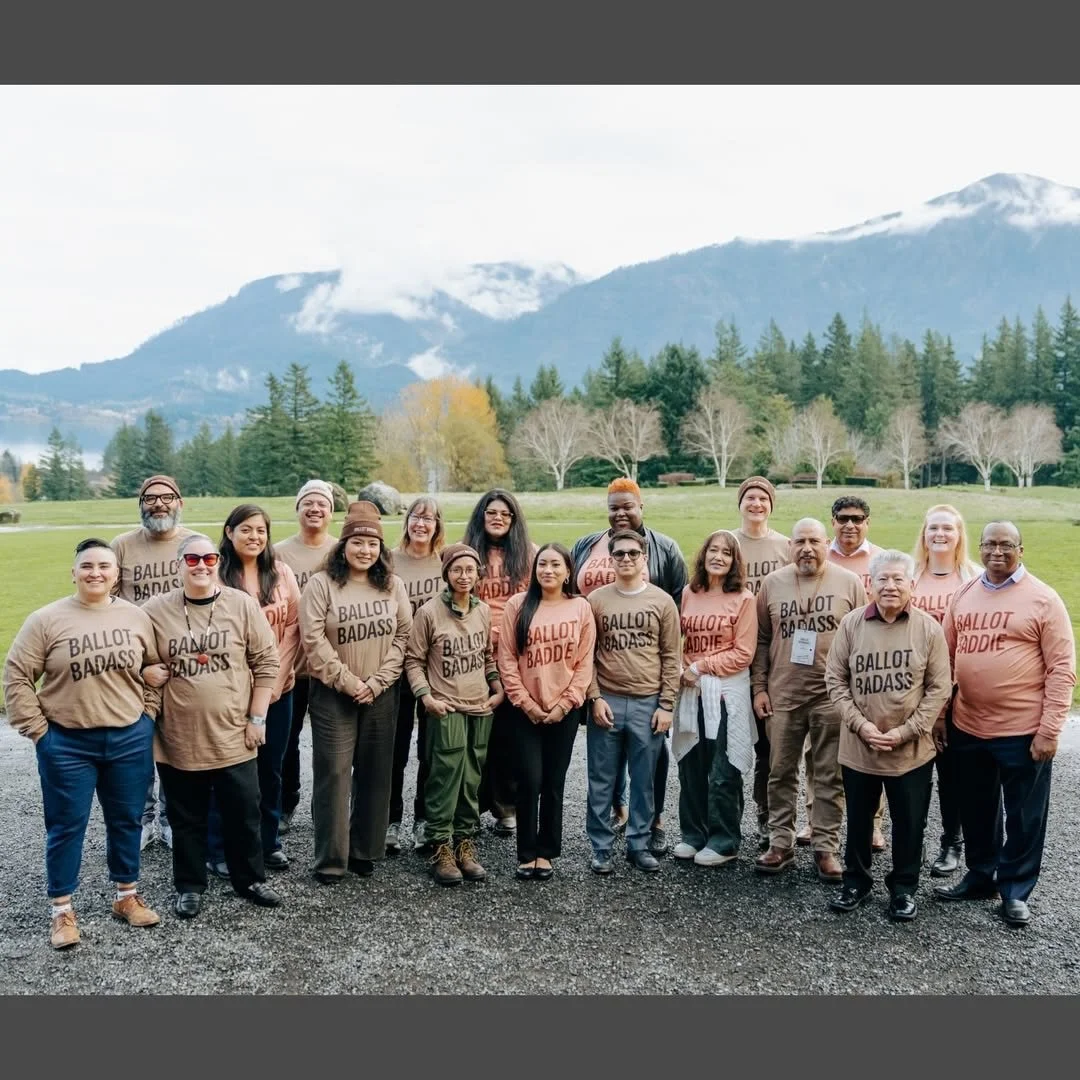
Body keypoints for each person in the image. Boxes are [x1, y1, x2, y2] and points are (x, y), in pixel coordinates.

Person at [3, 539, 164, 949]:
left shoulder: (136, 617)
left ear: (116, 573)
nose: (96, 572)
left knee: (126, 820)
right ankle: (62, 910)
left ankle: (126, 896)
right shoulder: (46, 619)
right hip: (67, 742)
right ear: (73, 573)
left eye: (104, 566)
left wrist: (147, 716)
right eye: (87, 566)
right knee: (66, 825)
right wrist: (40, 732)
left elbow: (154, 668)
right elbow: (18, 676)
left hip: (128, 736)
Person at [935, 521, 1076, 927]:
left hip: (1022, 729)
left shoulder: (1042, 599)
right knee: (977, 809)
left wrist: (1050, 730)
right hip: (968, 725)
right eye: (990, 544)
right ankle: (981, 876)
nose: (998, 551)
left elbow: (1062, 669)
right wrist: (943, 715)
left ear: (1021, 549)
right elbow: (945, 659)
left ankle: (1015, 890)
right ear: (979, 548)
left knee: (1024, 815)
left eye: (1006, 545)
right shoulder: (964, 594)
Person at [143, 533, 283, 917]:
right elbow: (136, 654)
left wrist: (257, 718)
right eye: (191, 559)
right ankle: (189, 886)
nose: (201, 565)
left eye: (208, 558)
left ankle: (249, 878)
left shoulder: (240, 605)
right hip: (179, 737)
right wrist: (146, 669)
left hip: (234, 733)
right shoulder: (156, 610)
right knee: (187, 816)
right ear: (178, 565)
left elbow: (266, 663)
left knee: (243, 812)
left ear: (218, 561)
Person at [824, 550, 952, 921]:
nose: (890, 586)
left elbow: (939, 688)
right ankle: (856, 883)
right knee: (860, 819)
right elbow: (835, 679)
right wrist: (859, 725)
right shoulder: (851, 624)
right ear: (870, 583)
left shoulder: (928, 629)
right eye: (883, 579)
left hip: (910, 750)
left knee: (910, 822)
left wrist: (905, 731)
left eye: (899, 579)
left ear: (912, 585)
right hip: (858, 746)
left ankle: (904, 889)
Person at [570, 477, 688, 855]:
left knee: (649, 762)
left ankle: (650, 825)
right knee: (603, 769)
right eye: (614, 507)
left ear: (641, 507)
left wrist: (667, 700)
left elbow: (674, 624)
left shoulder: (665, 549)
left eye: (628, 506)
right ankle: (608, 829)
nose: (621, 513)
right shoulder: (587, 545)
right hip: (603, 678)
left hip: (646, 680)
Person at [299, 501, 412, 884]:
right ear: (343, 544)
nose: (365, 550)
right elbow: (313, 640)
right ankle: (331, 858)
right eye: (357, 542)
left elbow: (403, 636)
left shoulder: (392, 585)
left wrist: (378, 682)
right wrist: (349, 682)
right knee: (333, 773)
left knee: (376, 771)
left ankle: (365, 849)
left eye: (373, 543)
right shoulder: (321, 584)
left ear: (381, 549)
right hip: (334, 693)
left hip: (381, 692)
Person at [752, 518, 865, 883]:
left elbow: (861, 639)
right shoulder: (772, 584)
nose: (806, 548)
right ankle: (780, 842)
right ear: (789, 546)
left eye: (814, 541)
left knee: (829, 774)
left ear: (826, 543)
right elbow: (762, 641)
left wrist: (855, 693)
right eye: (799, 541)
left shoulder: (848, 582)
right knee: (780, 771)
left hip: (831, 696)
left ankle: (825, 847)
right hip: (783, 694)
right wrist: (759, 688)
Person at [205, 505, 300, 877]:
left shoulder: (280, 572)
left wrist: (275, 680)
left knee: (269, 769)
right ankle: (220, 847)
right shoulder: (216, 575)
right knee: (226, 771)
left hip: (279, 690)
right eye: (246, 529)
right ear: (229, 532)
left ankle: (268, 841)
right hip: (229, 692)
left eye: (261, 530)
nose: (255, 537)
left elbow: (293, 626)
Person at [405, 543, 503, 886]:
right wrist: (426, 697)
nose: (464, 577)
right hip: (445, 707)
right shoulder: (429, 613)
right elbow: (414, 661)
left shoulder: (483, 611)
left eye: (470, 570)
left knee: (472, 777)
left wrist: (497, 687)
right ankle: (440, 846)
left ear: (478, 574)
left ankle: (465, 842)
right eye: (457, 570)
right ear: (446, 574)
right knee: (444, 777)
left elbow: (488, 656)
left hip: (480, 707)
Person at [585, 529, 681, 874]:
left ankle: (638, 844)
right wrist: (594, 698)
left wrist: (667, 704)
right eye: (619, 554)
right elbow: (587, 656)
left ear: (645, 558)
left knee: (644, 780)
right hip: (607, 700)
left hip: (648, 701)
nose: (626, 559)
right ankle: (600, 846)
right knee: (601, 779)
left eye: (633, 553)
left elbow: (672, 655)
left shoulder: (661, 601)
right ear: (611, 559)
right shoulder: (596, 600)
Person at [498, 544, 596, 881]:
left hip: (563, 710)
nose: (548, 570)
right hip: (523, 710)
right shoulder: (518, 605)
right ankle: (526, 852)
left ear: (568, 571)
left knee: (554, 782)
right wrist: (525, 702)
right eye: (542, 564)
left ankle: (547, 852)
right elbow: (507, 659)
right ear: (534, 570)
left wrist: (565, 703)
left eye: (556, 564)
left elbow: (585, 663)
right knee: (529, 780)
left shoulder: (580, 607)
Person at [110, 474, 194, 852]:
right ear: (140, 504)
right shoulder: (123, 547)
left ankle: (170, 817)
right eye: (150, 498)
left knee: (176, 745)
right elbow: (103, 603)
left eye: (167, 497)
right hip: (135, 664)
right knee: (138, 745)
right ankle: (143, 820)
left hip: (183, 661)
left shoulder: (193, 544)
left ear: (180, 502)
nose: (159, 504)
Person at [671, 530, 757, 867]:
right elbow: (679, 638)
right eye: (713, 550)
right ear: (703, 555)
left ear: (735, 561)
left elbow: (744, 652)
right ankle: (694, 834)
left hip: (725, 692)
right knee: (690, 763)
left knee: (723, 769)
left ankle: (724, 839)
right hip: (691, 690)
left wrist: (701, 666)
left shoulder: (744, 598)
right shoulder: (689, 593)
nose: (718, 557)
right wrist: (681, 668)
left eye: (726, 552)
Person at [910, 504, 980, 877]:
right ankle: (913, 840)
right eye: (933, 527)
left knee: (952, 774)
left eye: (947, 529)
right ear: (924, 533)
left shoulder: (973, 578)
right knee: (912, 773)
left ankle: (952, 842)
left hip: (956, 693)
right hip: (911, 692)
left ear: (959, 535)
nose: (940, 534)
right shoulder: (910, 577)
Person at [464, 489, 538, 837]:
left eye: (505, 514)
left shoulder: (528, 555)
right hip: (472, 654)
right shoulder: (468, 553)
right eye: (491, 512)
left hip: (513, 654)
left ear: (514, 520)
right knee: (477, 734)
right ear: (481, 517)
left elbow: (535, 604)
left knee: (508, 735)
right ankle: (472, 806)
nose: (497, 518)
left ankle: (506, 806)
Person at [821, 494, 884, 852]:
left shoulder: (880, 560)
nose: (850, 525)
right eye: (843, 518)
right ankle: (818, 819)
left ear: (867, 523)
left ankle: (873, 824)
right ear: (833, 521)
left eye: (857, 519)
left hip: (867, 668)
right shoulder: (818, 553)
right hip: (821, 667)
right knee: (822, 755)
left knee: (869, 751)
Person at [275, 479, 338, 837]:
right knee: (287, 739)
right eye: (308, 503)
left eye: (322, 504)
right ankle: (286, 803)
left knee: (332, 743)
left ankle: (325, 808)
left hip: (329, 666)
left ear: (331, 511)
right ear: (297, 508)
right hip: (292, 665)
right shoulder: (280, 553)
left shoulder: (340, 551)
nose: (315, 509)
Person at [731, 475, 790, 851]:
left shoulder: (785, 545)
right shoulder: (728, 543)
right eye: (750, 497)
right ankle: (726, 820)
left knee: (771, 748)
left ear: (771, 505)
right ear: (740, 503)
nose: (756, 504)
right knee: (733, 744)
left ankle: (769, 817)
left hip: (773, 654)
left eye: (763, 498)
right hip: (735, 655)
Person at [388, 495, 446, 854]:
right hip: (395, 665)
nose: (421, 524)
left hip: (434, 668)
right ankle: (390, 819)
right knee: (394, 749)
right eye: (415, 517)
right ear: (406, 521)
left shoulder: (445, 563)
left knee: (431, 748)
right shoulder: (390, 561)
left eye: (429, 518)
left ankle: (423, 819)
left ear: (438, 525)